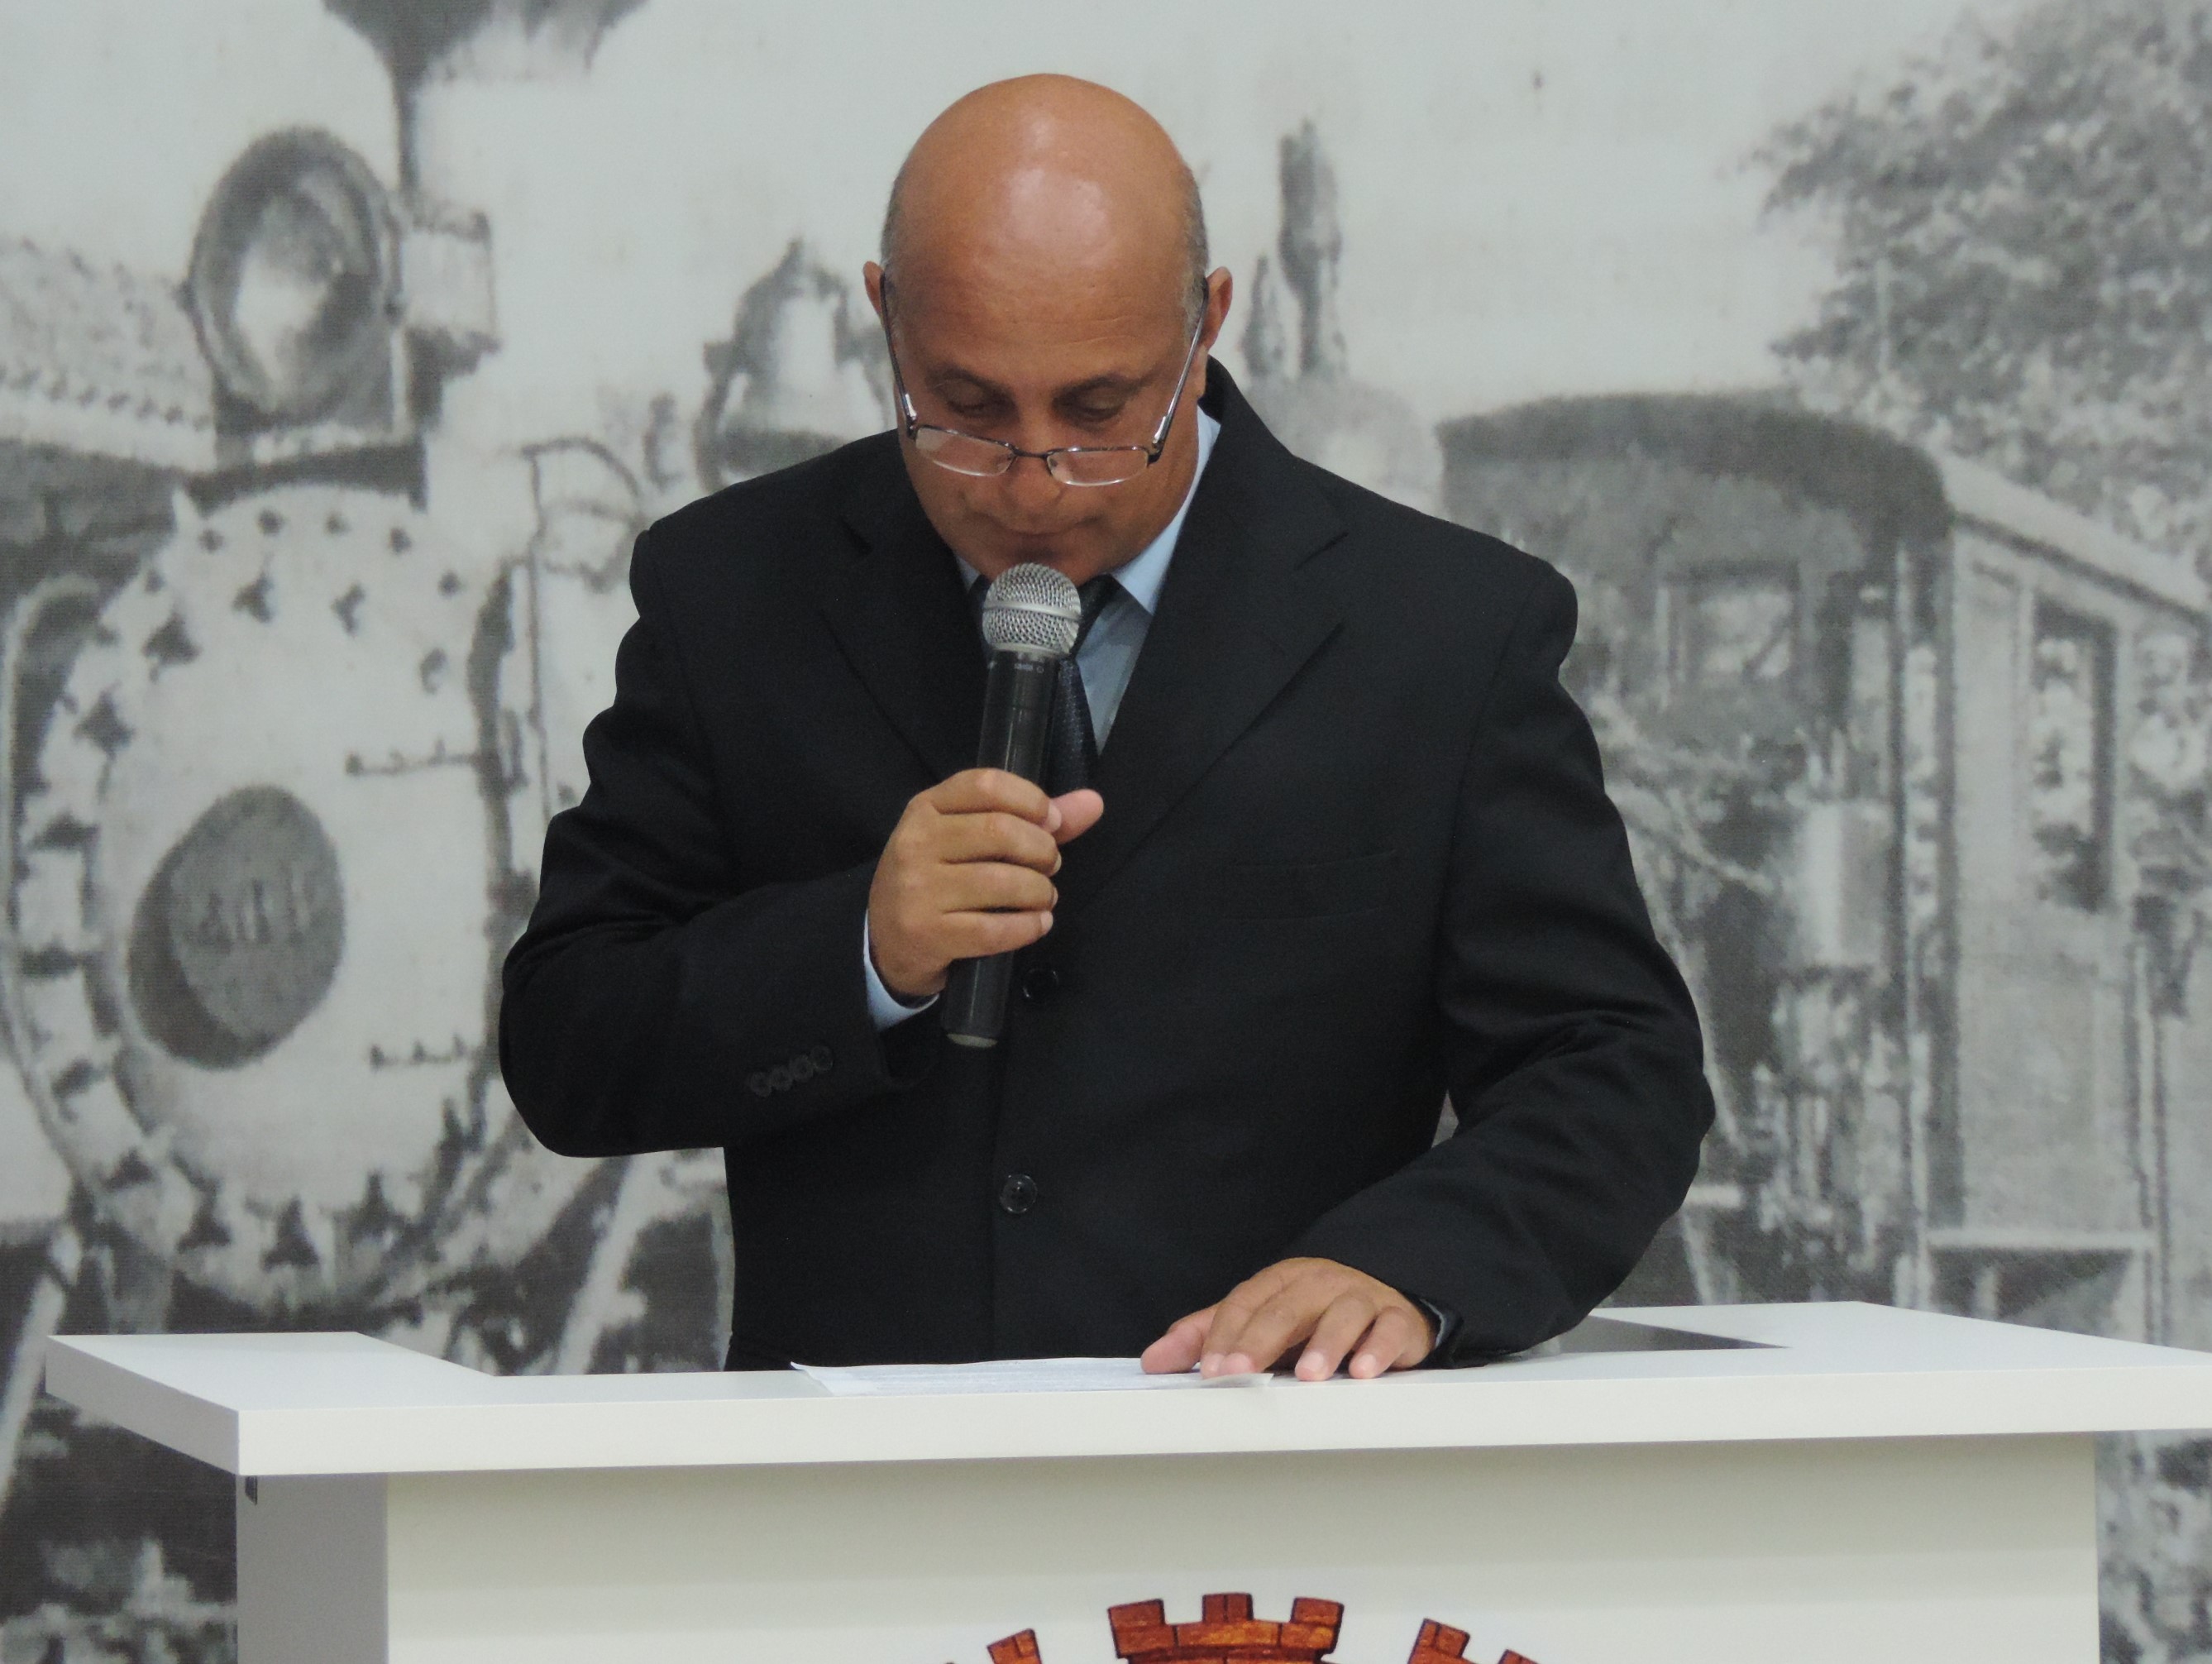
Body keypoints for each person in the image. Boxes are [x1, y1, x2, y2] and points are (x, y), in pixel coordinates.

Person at [499, 74, 1713, 1381]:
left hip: (1283, 1461)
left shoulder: (1447, 633)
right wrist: (859, 951)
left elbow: (1612, 1070)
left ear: (1207, 326)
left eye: (1099, 414)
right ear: (884, 319)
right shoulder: (731, 590)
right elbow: (570, 1040)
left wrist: (1411, 1269)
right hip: (851, 1473)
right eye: (966, 411)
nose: (1033, 487)